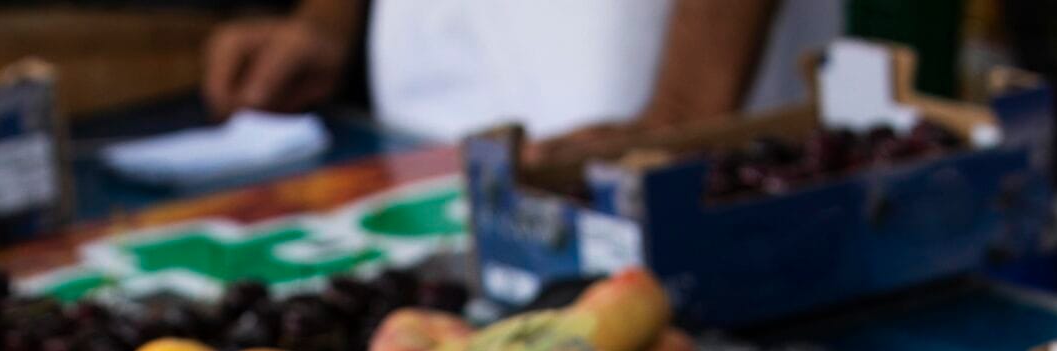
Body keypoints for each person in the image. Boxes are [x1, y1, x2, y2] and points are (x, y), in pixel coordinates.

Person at [203, 0, 844, 148]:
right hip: (430, 92)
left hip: (632, 65)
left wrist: (681, 119)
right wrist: (328, 18)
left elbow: (675, 137)